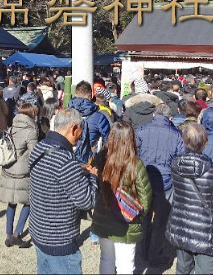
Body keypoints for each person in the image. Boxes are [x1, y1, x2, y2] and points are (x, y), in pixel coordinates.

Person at [29, 108, 98, 274]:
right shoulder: (66, 161)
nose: (81, 136)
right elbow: (87, 200)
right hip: (60, 240)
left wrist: (79, 171)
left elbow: (52, 178)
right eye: (81, 131)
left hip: (39, 231)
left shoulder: (39, 148)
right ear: (74, 128)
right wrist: (93, 177)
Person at [167, 123, 213, 275]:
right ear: (205, 143)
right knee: (206, 270)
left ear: (184, 141)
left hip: (181, 224)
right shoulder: (212, 169)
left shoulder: (175, 164)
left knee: (183, 268)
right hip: (205, 229)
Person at [92, 121, 152, 274]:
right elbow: (145, 197)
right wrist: (136, 216)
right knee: (125, 264)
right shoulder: (135, 164)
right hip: (127, 222)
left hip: (103, 216)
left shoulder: (100, 158)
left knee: (106, 259)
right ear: (130, 138)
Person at [136, 103, 184, 266]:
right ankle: (155, 254)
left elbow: (135, 152)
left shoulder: (142, 130)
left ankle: (143, 250)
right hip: (166, 182)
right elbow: (180, 159)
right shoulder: (177, 134)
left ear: (154, 115)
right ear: (170, 117)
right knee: (161, 221)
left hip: (144, 179)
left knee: (144, 216)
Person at [0, 103, 39, 248]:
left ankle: (8, 235)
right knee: (28, 201)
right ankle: (17, 233)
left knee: (11, 202)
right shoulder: (31, 131)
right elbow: (34, 153)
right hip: (23, 172)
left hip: (9, 169)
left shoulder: (11, 128)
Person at [68, 81, 111, 163]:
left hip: (67, 160)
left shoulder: (65, 114)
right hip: (90, 162)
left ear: (76, 94)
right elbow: (108, 140)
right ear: (90, 96)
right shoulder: (99, 117)